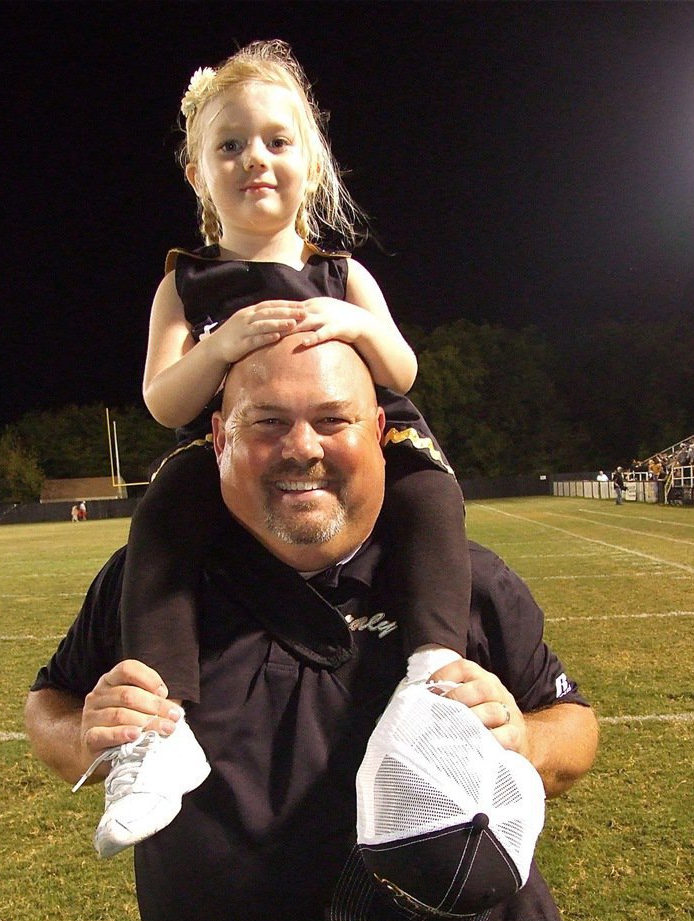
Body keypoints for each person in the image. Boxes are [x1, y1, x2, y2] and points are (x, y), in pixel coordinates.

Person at [25, 337, 599, 921]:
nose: (302, 447)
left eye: (332, 419)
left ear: (379, 430)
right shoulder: (155, 581)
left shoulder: (460, 585)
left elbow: (575, 726)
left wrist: (522, 736)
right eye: (268, 423)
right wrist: (87, 737)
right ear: (218, 436)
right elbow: (49, 704)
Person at [87, 39, 472, 860]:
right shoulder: (186, 283)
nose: (253, 159)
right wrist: (221, 351)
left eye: (275, 140)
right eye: (229, 145)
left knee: (434, 496)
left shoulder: (342, 274)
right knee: (160, 520)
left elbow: (404, 369)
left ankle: (434, 685)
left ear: (311, 161)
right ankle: (161, 732)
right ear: (198, 174)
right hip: (232, 454)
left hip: (365, 444)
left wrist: (361, 328)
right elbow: (164, 402)